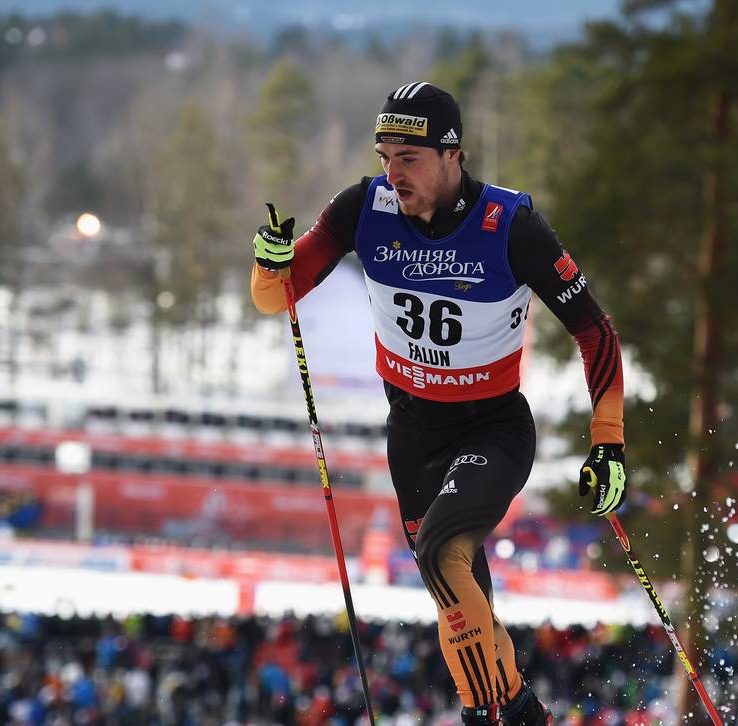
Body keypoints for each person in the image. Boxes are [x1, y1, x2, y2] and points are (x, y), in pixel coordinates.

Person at [249, 81, 628, 726]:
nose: (393, 173)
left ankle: (504, 712)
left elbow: (595, 331)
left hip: (492, 428)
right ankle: (505, 709)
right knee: (453, 588)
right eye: (384, 156)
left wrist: (608, 439)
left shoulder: (510, 225)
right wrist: (268, 264)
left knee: (440, 553)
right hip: (413, 434)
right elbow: (275, 296)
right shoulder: (362, 209)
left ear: (453, 155)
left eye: (410, 157)